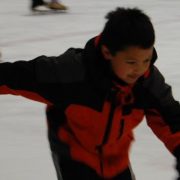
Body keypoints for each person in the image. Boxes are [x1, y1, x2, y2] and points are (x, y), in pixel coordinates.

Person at [0, 7, 180, 180]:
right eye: (131, 62)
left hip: (117, 160)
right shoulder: (71, 73)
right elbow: (17, 76)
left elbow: (172, 121)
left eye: (146, 60)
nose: (139, 69)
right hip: (74, 157)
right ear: (107, 52)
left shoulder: (147, 83)